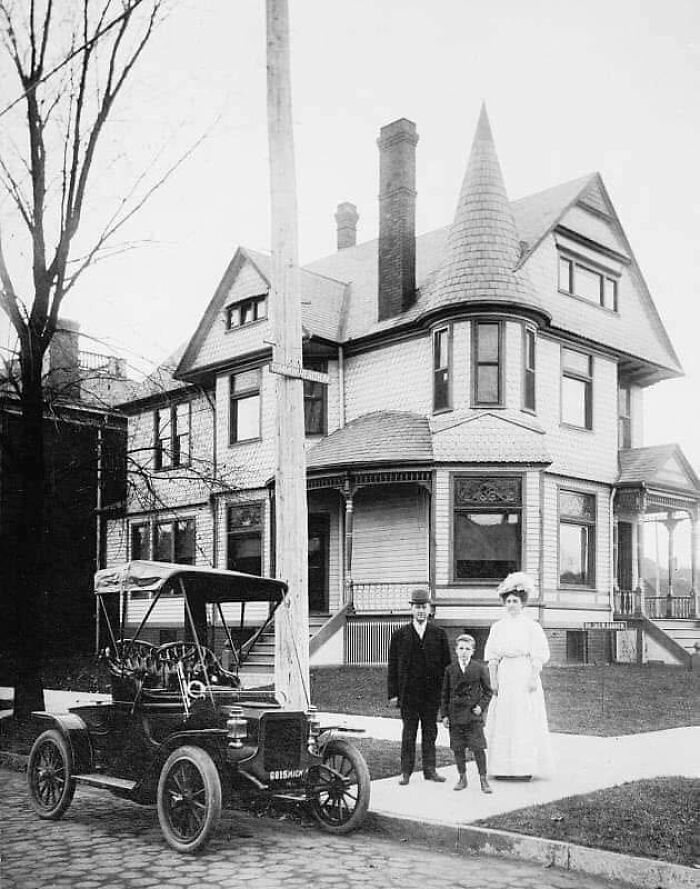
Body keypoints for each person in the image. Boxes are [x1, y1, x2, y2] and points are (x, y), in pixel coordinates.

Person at [484, 572, 553, 780]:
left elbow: (538, 655)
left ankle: (524, 768)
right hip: (505, 676)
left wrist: (533, 677)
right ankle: (502, 768)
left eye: (515, 601)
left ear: (522, 603)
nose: (511, 604)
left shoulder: (531, 626)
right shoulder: (498, 627)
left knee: (524, 719)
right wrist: (494, 681)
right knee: (504, 719)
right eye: (508, 601)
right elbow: (493, 657)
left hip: (524, 675)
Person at [388, 588, 452, 785]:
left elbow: (447, 667)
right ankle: (405, 772)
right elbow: (393, 666)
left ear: (430, 609)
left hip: (431, 694)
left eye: (424, 607)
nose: (421, 611)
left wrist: (444, 696)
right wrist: (393, 694)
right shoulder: (400, 635)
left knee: (430, 732)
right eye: (417, 607)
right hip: (409, 694)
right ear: (412, 609)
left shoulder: (439, 634)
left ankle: (430, 770)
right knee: (409, 732)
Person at [441, 634, 493, 793]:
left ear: (473, 651)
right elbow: (444, 694)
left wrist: (480, 706)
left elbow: (488, 692)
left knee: (478, 748)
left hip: (472, 715)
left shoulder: (479, 668)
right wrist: (444, 715)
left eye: (468, 649)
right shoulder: (450, 670)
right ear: (456, 650)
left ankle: (483, 779)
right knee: (458, 748)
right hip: (455, 714)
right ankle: (462, 777)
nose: (464, 652)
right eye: (461, 648)